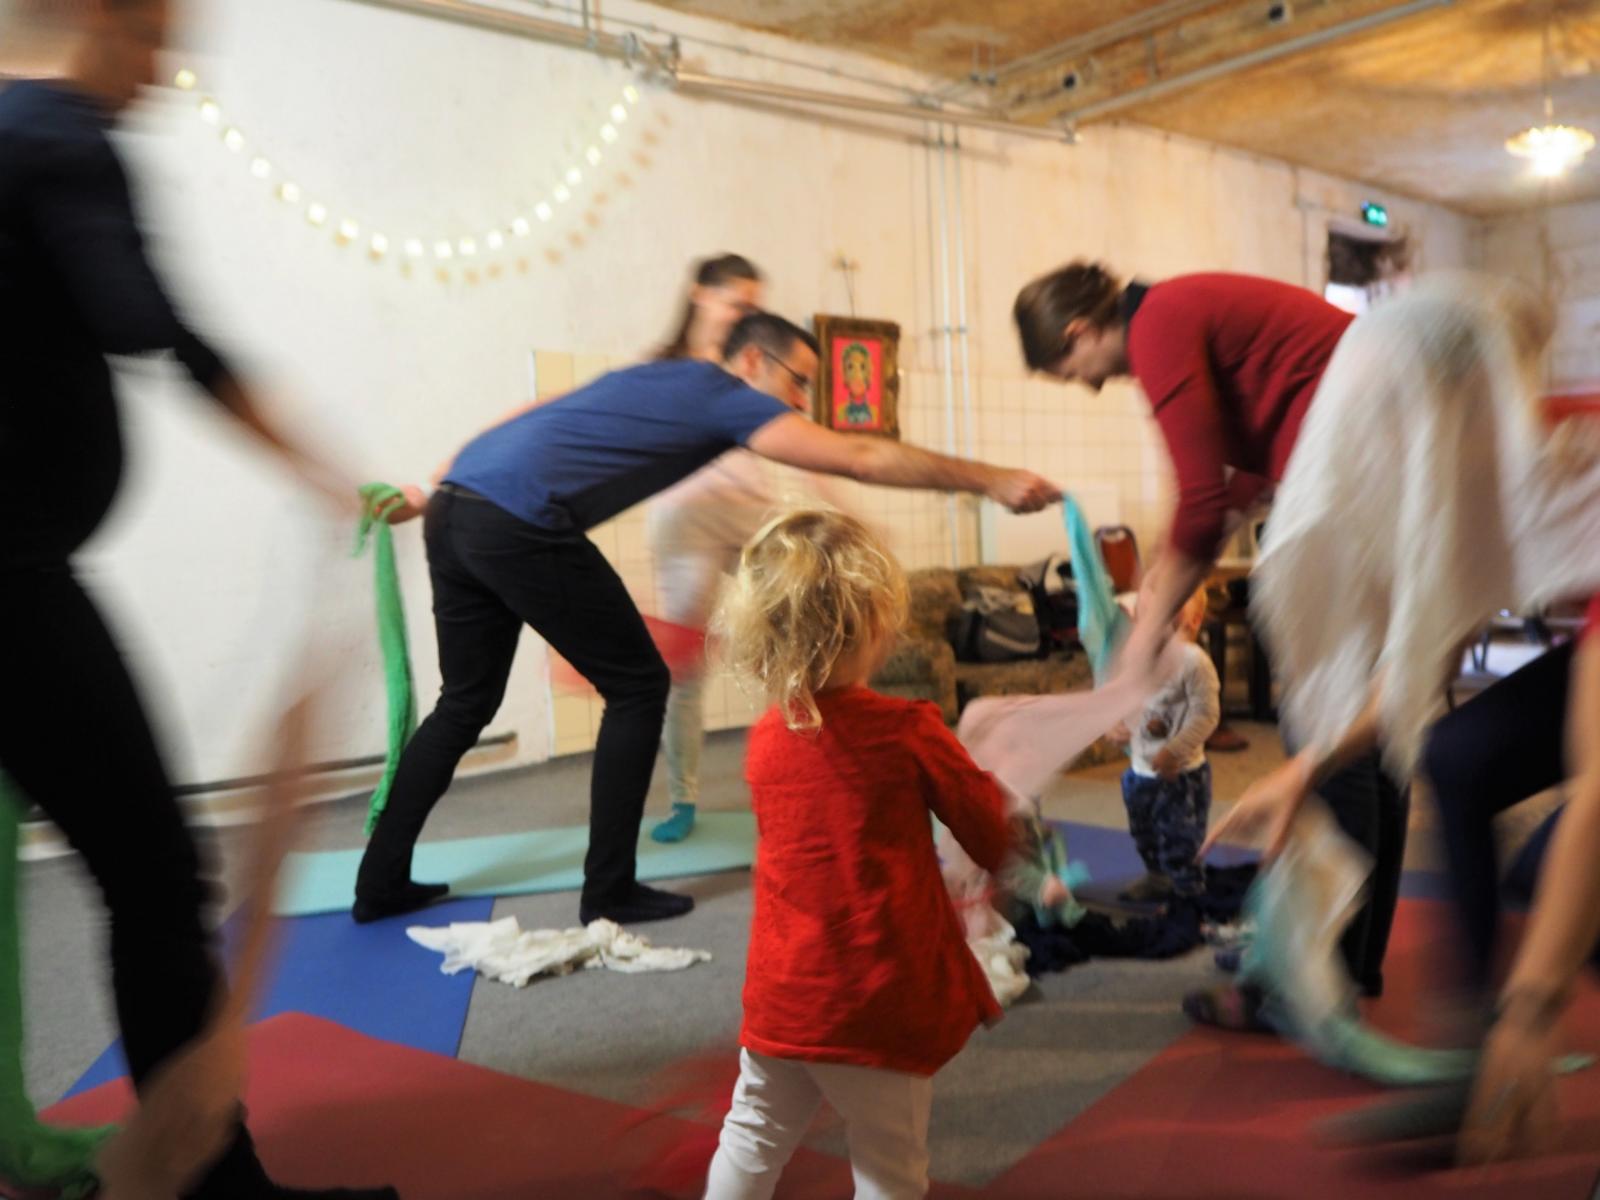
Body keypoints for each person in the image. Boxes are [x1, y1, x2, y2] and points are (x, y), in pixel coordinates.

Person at [0, 3, 395, 1197]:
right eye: (153, 40)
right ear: (98, 20)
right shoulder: (58, 135)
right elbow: (161, 331)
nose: (164, 74)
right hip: (6, 577)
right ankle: (217, 1189)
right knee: (157, 876)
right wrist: (323, 472)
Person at [356, 312, 1059, 926]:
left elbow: (528, 413)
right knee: (638, 685)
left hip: (457, 507)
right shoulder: (724, 396)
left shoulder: (657, 376)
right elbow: (862, 456)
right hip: (518, 521)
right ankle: (609, 890)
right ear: (752, 359)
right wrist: (991, 480)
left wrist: (431, 485)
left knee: (465, 702)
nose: (801, 400)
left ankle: (379, 882)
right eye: (798, 381)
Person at [1198, 274, 1600, 1161]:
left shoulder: (1575, 465)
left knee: (1563, 885)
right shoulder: (1495, 463)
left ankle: (1509, 1054)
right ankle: (1473, 1062)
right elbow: (1422, 664)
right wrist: (1304, 769)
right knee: (1457, 756)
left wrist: (1532, 1012)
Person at [1013, 262, 1408, 1018]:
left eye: (1073, 372)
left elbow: (1200, 499)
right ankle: (1349, 967)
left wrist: (1141, 645)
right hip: (1380, 473)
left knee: (1327, 733)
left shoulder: (1161, 324)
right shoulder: (1187, 310)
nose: (1089, 385)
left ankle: (1312, 987)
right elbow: (1237, 485)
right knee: (1365, 733)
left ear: (1078, 332)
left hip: (1360, 480)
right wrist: (1166, 580)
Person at [703, 509, 1013, 1200]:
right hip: (874, 1002)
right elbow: (991, 835)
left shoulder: (765, 738)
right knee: (888, 1164)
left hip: (783, 997)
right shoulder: (907, 730)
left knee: (751, 1135)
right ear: (874, 623)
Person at [1111, 587, 1220, 904]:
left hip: (1181, 776)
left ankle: (1188, 894)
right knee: (1143, 832)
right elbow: (1128, 699)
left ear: (1195, 619)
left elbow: (1207, 715)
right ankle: (1157, 878)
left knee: (1180, 840)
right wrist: (1117, 724)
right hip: (1139, 772)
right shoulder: (1139, 657)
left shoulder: (1194, 662)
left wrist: (1175, 749)